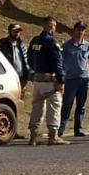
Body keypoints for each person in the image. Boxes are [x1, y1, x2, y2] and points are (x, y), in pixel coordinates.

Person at [26, 17, 66, 146]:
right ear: (53, 27)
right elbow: (57, 63)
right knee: (54, 107)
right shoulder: (52, 42)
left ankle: (33, 135)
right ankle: (53, 136)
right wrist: (61, 80)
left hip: (38, 79)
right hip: (51, 81)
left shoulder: (35, 41)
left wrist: (36, 70)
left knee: (37, 107)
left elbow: (29, 59)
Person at [58, 20, 89, 137]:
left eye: (82, 30)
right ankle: (61, 129)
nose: (80, 32)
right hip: (71, 79)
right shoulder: (67, 46)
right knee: (67, 104)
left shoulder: (88, 46)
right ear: (74, 30)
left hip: (84, 79)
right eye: (78, 29)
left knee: (81, 106)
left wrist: (86, 70)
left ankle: (78, 129)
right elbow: (62, 61)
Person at [0, 23, 31, 90]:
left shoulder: (22, 45)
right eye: (15, 31)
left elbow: (26, 60)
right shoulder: (3, 44)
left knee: (20, 98)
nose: (17, 33)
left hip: (21, 78)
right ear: (9, 31)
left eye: (18, 31)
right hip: (8, 78)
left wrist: (27, 75)